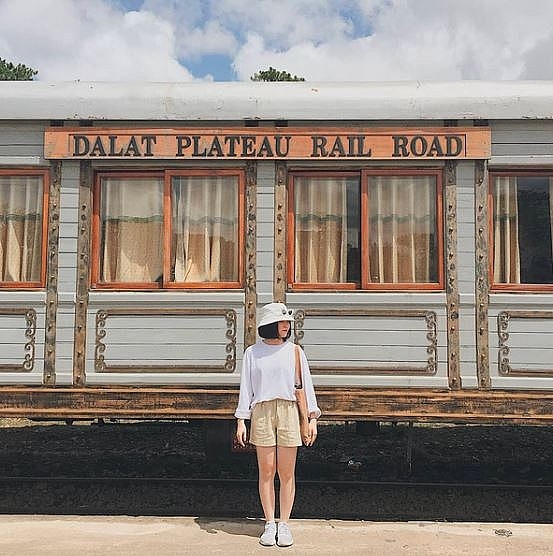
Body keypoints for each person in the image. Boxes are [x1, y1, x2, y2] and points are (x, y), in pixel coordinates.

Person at [234, 302, 321, 547]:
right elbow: (246, 389)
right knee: (266, 470)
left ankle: (284, 524)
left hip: (289, 411)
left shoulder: (295, 351)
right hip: (261, 411)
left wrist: (312, 418)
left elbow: (306, 386)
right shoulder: (253, 352)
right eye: (282, 322)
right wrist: (241, 420)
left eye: (288, 323)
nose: (287, 326)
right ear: (270, 324)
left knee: (286, 472)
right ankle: (269, 522)